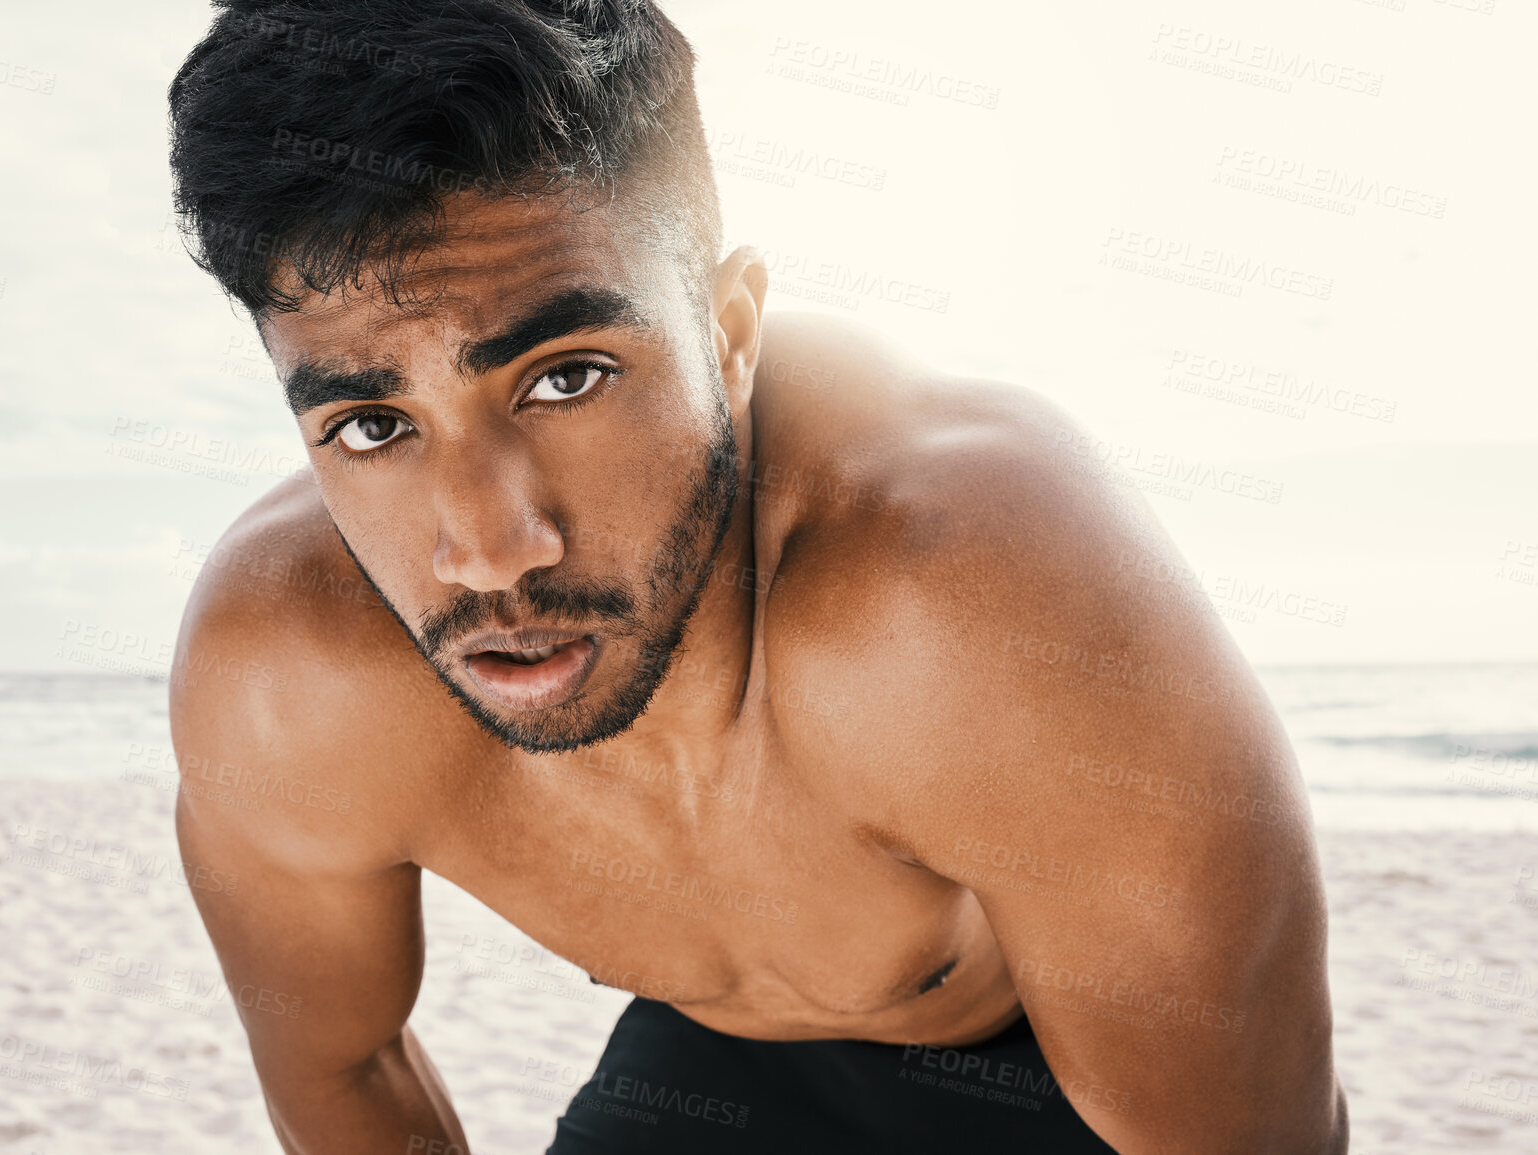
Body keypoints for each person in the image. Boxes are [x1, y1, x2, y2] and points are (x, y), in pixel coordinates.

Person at [164, 2, 1349, 1151]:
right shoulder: (290, 681)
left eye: (567, 376)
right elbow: (340, 1073)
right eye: (372, 425)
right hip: (718, 1071)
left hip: (1072, 1078)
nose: (486, 550)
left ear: (729, 334)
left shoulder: (966, 599)